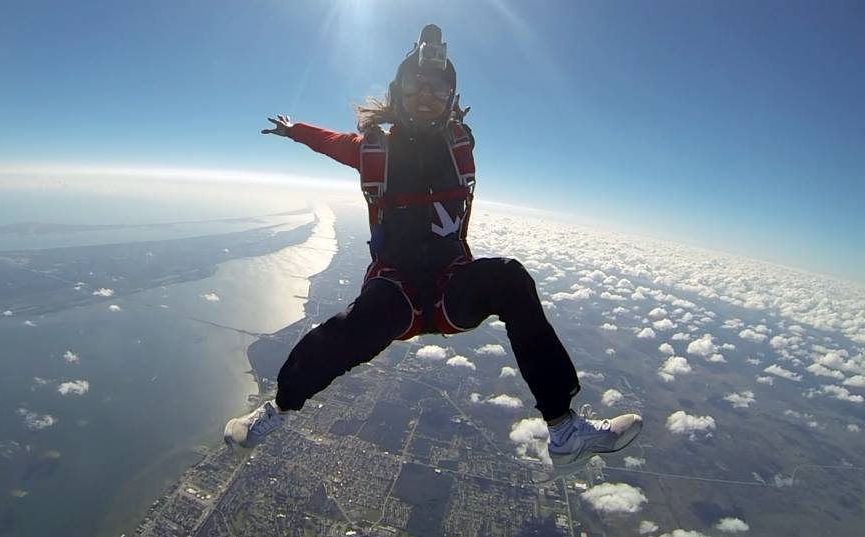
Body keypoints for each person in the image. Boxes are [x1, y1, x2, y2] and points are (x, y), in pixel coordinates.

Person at [225, 24, 642, 472]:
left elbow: (444, 120)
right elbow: (328, 141)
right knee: (352, 327)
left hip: (451, 289)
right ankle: (275, 410)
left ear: (450, 97)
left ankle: (563, 430)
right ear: (398, 91)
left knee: (510, 277)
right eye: (415, 84)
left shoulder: (458, 141)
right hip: (396, 289)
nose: (425, 93)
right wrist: (296, 131)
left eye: (437, 86)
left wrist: (437, 73)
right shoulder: (372, 149)